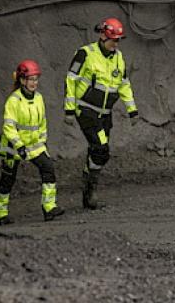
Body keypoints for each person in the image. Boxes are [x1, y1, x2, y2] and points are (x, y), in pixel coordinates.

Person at [63, 17, 138, 210]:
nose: (116, 44)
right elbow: (71, 80)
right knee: (101, 148)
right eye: (113, 39)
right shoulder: (85, 54)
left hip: (105, 114)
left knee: (99, 152)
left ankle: (88, 186)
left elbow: (124, 84)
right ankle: (90, 189)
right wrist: (69, 109)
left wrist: (132, 109)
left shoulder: (119, 58)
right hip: (86, 111)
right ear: (103, 35)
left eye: (119, 40)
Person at [0, 59, 64, 225]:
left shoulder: (39, 98)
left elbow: (42, 123)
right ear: (22, 80)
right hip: (13, 147)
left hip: (34, 147)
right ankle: (0, 214)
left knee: (48, 168)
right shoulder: (14, 101)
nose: (34, 83)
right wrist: (19, 146)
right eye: (31, 79)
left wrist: (42, 141)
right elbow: (9, 127)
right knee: (7, 180)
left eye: (36, 79)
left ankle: (49, 208)